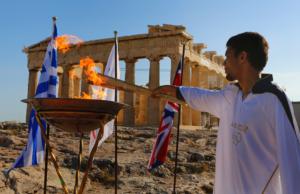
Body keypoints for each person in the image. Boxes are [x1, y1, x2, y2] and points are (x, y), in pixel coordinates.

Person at [153, 32, 300, 194]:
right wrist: (176, 91)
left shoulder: (274, 99)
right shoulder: (230, 96)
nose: (224, 63)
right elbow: (203, 97)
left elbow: (292, 160)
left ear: (242, 57)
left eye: (228, 56)